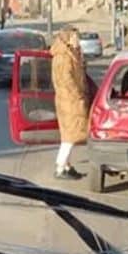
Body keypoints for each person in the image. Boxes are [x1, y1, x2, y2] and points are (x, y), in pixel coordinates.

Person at [50, 26, 88, 180]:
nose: (77, 40)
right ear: (67, 38)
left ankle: (66, 165)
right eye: (75, 37)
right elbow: (67, 79)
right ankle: (60, 167)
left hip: (69, 100)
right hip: (69, 100)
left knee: (70, 135)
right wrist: (78, 94)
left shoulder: (70, 53)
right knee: (70, 136)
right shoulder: (63, 57)